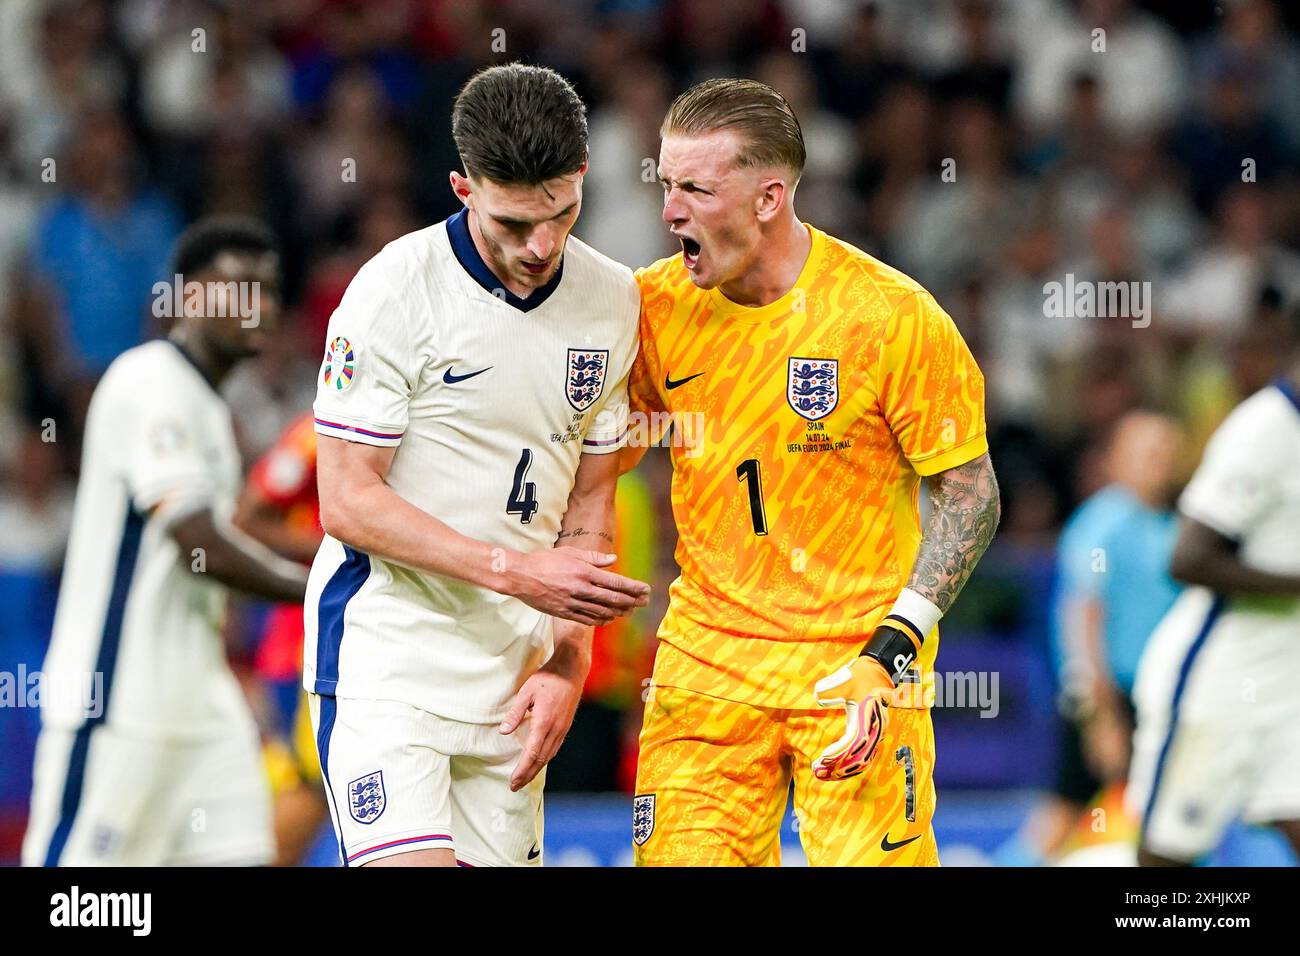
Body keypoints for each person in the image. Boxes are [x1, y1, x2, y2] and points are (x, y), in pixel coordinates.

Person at [624, 79, 1000, 866]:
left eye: (695, 187)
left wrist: (892, 650)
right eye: (665, 185)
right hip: (707, 668)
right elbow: (594, 456)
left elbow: (970, 498)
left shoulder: (888, 316)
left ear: (768, 197)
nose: (670, 211)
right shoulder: (651, 310)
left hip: (857, 666)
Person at [306, 63, 649, 868]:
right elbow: (348, 502)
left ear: (584, 179)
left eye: (562, 215)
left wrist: (569, 660)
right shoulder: (394, 291)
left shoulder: (614, 300)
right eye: (512, 224)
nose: (541, 246)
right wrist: (513, 571)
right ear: (464, 188)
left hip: (513, 680)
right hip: (388, 661)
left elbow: (590, 502)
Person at [22, 217, 309, 866]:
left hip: (202, 705)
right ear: (184, 297)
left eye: (268, 290)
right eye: (237, 288)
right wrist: (318, 590)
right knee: (79, 904)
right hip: (119, 702)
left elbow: (222, 544)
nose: (258, 305)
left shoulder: (209, 407)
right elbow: (195, 540)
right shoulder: (148, 380)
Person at [1127, 336, 1300, 866]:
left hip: (1289, 676)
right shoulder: (1266, 428)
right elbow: (1188, 558)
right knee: (1167, 861)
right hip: (1218, 680)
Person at [996, 410, 1186, 866]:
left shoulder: (1174, 525)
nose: (1157, 463)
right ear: (1116, 460)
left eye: (1165, 452)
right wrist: (1100, 717)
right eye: (1145, 453)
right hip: (1110, 696)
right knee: (1060, 819)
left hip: (1158, 696)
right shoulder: (1100, 526)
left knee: (1163, 822)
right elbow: (1080, 622)